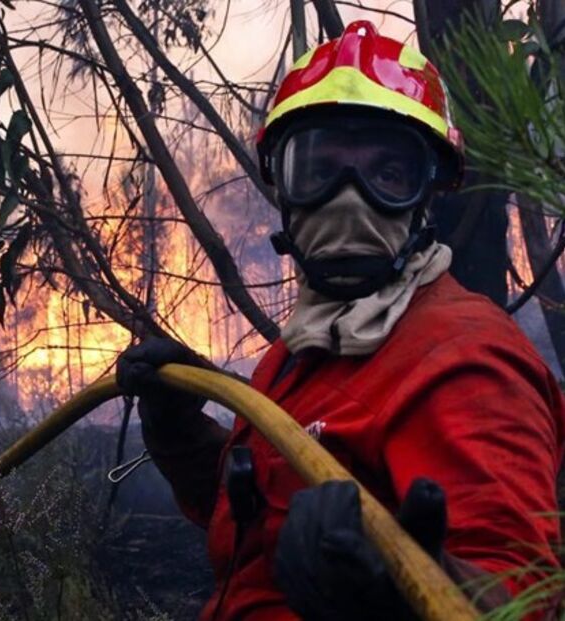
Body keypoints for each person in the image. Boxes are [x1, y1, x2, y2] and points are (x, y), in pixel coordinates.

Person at [117, 21, 565, 620]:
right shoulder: (301, 351)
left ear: (428, 193)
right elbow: (260, 521)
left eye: (387, 174)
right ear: (283, 187)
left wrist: (399, 594)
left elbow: (519, 598)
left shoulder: (467, 361)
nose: (347, 198)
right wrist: (183, 436)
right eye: (319, 169)